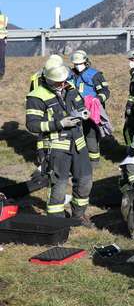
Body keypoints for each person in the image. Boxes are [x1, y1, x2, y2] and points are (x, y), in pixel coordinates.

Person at [25, 64, 93, 226]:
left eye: (64, 81)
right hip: (56, 146)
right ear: (48, 80)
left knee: (85, 181)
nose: (62, 84)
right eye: (58, 82)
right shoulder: (37, 96)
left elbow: (80, 105)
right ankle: (56, 223)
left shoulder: (70, 88)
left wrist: (83, 113)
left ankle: (78, 216)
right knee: (59, 186)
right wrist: (59, 123)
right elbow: (32, 125)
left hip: (78, 143)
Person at [70, 50, 110, 168]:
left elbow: (105, 92)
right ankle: (77, 159)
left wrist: (96, 99)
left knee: (90, 135)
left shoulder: (95, 75)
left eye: (80, 63)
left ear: (86, 62)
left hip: (91, 111)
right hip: (75, 110)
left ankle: (94, 162)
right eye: (75, 64)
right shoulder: (71, 74)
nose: (77, 66)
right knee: (75, 135)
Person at [0, 10, 7, 80]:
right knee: (1, 56)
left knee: (1, 56)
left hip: (1, 38)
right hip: (2, 39)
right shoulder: (4, 18)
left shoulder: (3, 18)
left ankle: (1, 73)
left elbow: (5, 28)